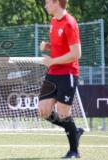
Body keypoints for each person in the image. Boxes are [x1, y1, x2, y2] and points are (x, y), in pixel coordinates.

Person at [39, 0, 84, 158]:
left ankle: (74, 151)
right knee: (43, 111)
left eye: (47, 3)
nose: (45, 6)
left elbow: (76, 54)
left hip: (68, 73)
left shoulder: (70, 23)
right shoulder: (53, 21)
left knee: (64, 114)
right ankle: (73, 130)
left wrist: (52, 61)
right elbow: (62, 45)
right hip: (53, 73)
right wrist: (49, 46)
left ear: (56, 3)